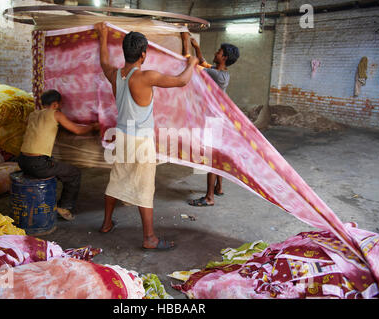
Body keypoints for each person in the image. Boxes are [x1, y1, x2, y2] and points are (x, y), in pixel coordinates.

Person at [95, 22, 199, 250]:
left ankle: (105, 223)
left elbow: (103, 61)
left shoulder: (115, 74)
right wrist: (191, 63)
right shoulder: (146, 77)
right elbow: (182, 80)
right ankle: (149, 238)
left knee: (117, 178)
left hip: (121, 136)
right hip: (141, 141)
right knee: (144, 187)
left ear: (125, 52)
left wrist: (102, 36)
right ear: (143, 54)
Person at [17, 89, 100, 221]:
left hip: (22, 160)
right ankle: (64, 207)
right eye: (61, 104)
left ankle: (48, 200)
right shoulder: (56, 114)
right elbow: (78, 130)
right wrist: (94, 126)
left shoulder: (33, 114)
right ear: (55, 104)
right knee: (74, 173)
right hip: (38, 164)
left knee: (57, 166)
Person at [181, 32, 240, 207]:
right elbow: (203, 62)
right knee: (217, 154)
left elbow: (191, 63)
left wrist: (185, 42)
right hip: (218, 119)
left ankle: (209, 198)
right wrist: (197, 47)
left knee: (211, 158)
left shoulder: (216, 75)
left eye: (219, 52)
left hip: (213, 121)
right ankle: (219, 188)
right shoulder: (221, 73)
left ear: (224, 57)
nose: (216, 52)